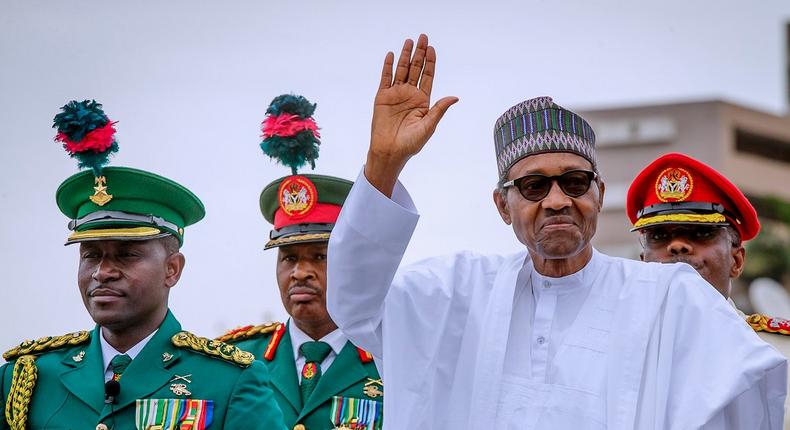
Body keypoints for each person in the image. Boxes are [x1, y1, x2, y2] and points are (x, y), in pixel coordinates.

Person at [325, 34, 787, 429]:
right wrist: (385, 164)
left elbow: (753, 390)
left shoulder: (669, 296)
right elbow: (355, 307)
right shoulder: (455, 291)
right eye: (532, 186)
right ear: (502, 206)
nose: (557, 200)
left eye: (574, 181)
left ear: (598, 195)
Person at [0, 100, 285, 430]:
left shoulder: (228, 381)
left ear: (172, 269)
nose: (103, 271)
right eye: (91, 255)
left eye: (126, 254)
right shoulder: (28, 378)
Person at [217, 94, 383, 430]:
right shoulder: (234, 360)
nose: (300, 273)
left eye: (320, 257)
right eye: (289, 257)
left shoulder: (388, 358)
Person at [628, 152, 790, 429]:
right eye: (659, 236)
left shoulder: (780, 351)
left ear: (736, 261)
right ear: (643, 263)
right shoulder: (609, 346)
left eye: (700, 233)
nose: (677, 246)